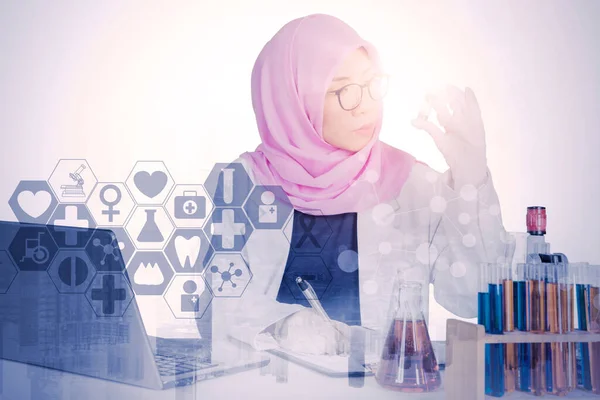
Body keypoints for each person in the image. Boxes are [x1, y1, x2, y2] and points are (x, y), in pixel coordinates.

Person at [219, 13, 509, 356]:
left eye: (372, 84)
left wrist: (470, 178)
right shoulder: (242, 185)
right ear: (292, 98)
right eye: (343, 90)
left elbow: (470, 295)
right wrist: (284, 326)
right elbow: (215, 305)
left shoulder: (413, 185)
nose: (366, 106)